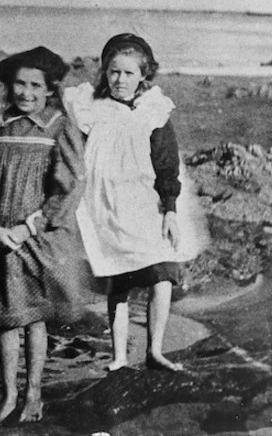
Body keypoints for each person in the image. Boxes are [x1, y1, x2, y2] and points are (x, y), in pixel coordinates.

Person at [0, 47, 87, 423]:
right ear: (9, 85)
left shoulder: (58, 127)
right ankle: (8, 393)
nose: (27, 92)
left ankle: (33, 394)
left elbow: (69, 186)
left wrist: (29, 225)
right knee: (5, 315)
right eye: (20, 83)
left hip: (38, 235)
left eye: (36, 85)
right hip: (0, 235)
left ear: (50, 90)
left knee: (34, 317)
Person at [63, 33, 185, 372]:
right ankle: (118, 355)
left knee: (162, 272)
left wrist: (170, 209)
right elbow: (72, 151)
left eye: (129, 73)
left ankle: (155, 350)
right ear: (105, 72)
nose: (120, 80)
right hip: (106, 205)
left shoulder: (154, 110)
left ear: (143, 76)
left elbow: (166, 163)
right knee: (118, 277)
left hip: (146, 204)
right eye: (114, 72)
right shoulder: (92, 109)